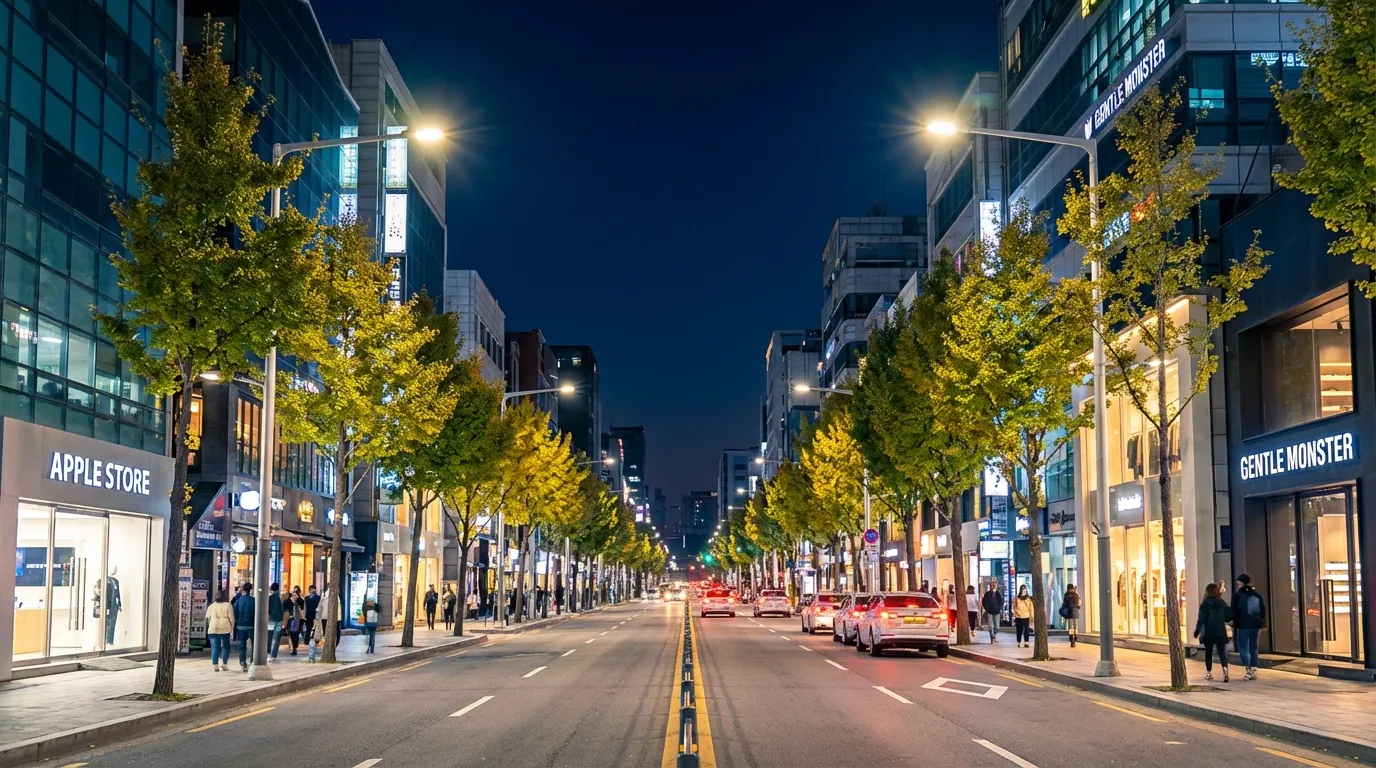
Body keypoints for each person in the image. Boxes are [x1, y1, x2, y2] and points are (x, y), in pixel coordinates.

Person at [1230, 573, 1266, 680]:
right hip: (1255, 625)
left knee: (1243, 648)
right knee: (1253, 646)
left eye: (1238, 583)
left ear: (1241, 583)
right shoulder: (1257, 595)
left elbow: (1233, 611)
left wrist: (1231, 622)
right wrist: (1261, 622)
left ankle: (1248, 668)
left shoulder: (1236, 596)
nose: (1238, 585)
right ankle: (1254, 667)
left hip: (1242, 625)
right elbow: (1262, 611)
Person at [1194, 582, 1232, 682]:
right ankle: (1225, 670)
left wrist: (1197, 631)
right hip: (1220, 630)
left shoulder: (1204, 604)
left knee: (1208, 652)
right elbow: (1228, 616)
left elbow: (1201, 620)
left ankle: (1209, 672)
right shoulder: (1222, 603)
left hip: (1208, 631)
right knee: (1222, 652)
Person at [205, 591, 234, 672]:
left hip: (213, 628)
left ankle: (215, 665)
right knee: (226, 646)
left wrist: (210, 624)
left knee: (215, 647)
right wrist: (232, 627)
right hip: (225, 628)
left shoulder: (211, 606)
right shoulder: (228, 605)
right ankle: (224, 664)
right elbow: (231, 618)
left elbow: (208, 618)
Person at [233, 581, 255, 672]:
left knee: (242, 645)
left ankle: (242, 662)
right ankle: (253, 661)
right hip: (251, 625)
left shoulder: (239, 600)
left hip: (241, 625)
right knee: (254, 644)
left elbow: (235, 613)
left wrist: (238, 621)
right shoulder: (253, 600)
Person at [266, 583, 284, 662]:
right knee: (276, 638)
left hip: (271, 620)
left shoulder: (269, 598)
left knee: (269, 636)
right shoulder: (281, 598)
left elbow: (268, 609)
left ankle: (269, 653)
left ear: (271, 589)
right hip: (279, 620)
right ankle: (274, 654)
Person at [285, 586, 304, 655]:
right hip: (291, 620)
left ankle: (294, 648)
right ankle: (293, 647)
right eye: (293, 595)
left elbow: (302, 611)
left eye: (296, 595)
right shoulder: (289, 602)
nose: (294, 596)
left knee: (295, 634)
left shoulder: (300, 602)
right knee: (292, 634)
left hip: (298, 621)